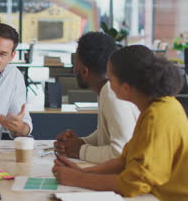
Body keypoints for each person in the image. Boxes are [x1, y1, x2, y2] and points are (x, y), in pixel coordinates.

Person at [52, 45, 188, 201]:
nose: (107, 83)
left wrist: (76, 179)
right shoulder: (153, 108)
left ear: (125, 87)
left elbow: (133, 184)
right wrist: (81, 172)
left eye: (111, 78)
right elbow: (124, 161)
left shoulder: (160, 115)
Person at [54, 32, 139, 163]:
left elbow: (121, 153)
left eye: (75, 62)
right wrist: (81, 142)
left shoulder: (112, 93)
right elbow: (107, 133)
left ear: (84, 71)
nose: (73, 69)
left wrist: (79, 150)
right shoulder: (107, 88)